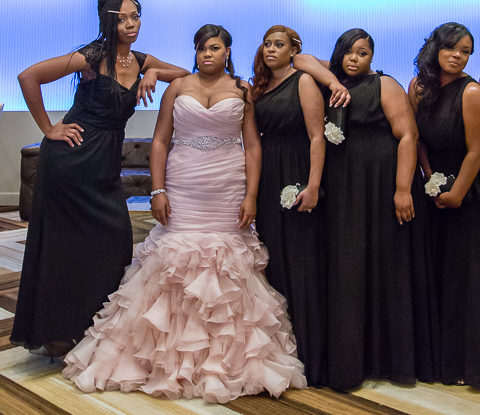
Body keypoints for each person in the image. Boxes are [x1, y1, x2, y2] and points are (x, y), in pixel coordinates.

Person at [63, 24, 307, 403]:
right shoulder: (177, 87)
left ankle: (223, 363)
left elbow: (253, 147)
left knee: (227, 266)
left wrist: (251, 195)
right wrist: (157, 190)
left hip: (227, 186)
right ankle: (162, 359)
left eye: (214, 48)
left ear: (227, 52)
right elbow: (160, 141)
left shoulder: (243, 89)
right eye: (201, 48)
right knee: (173, 262)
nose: (207, 54)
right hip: (183, 184)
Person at [11, 0, 189, 357]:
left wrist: (155, 72)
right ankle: (58, 332)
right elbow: (28, 77)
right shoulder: (92, 56)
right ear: (108, 23)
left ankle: (97, 325)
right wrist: (49, 128)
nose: (131, 25)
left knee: (114, 242)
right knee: (64, 248)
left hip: (105, 166)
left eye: (135, 17)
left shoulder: (140, 60)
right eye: (122, 19)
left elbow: (185, 75)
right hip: (70, 161)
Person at [301, 29, 437, 391]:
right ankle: (350, 358)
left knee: (384, 262)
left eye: (362, 53)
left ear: (372, 57)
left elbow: (408, 136)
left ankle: (389, 359)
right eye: (348, 52)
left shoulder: (384, 84)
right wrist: (333, 80)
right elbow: (300, 59)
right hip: (343, 183)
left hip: (379, 182)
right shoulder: (331, 81)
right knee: (347, 265)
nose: (354, 58)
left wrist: (403, 189)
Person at [409, 22, 480, 390]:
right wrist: (429, 177)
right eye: (451, 48)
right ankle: (442, 357)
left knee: (472, 273)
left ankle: (474, 363)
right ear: (435, 49)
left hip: (475, 185)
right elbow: (418, 139)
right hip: (437, 180)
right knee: (441, 268)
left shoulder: (472, 91)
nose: (458, 56)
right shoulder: (418, 87)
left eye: (466, 51)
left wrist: (457, 192)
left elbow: (477, 150)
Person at [251, 25, 328, 387]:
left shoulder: (304, 81)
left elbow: (317, 136)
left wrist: (313, 185)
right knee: (274, 258)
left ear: (293, 50)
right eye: (267, 43)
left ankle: (311, 355)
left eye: (278, 44)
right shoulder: (259, 86)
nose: (271, 49)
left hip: (297, 168)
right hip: (268, 174)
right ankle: (280, 352)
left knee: (301, 260)